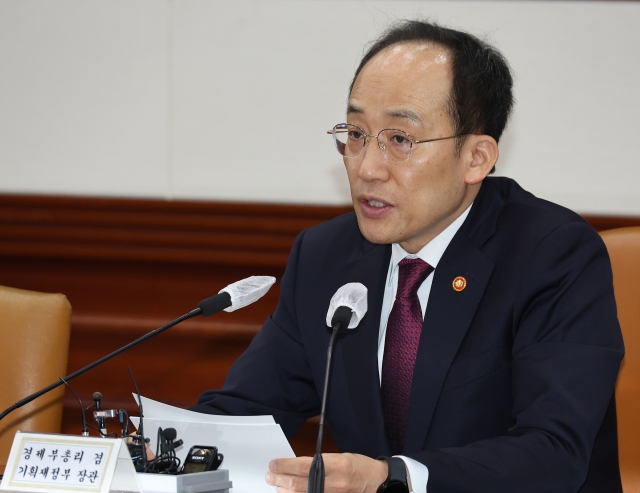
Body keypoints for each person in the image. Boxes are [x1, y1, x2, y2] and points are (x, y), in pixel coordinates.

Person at [191, 20, 624, 493]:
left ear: (476, 158)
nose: (367, 168)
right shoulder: (324, 256)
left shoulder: (554, 254)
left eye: (400, 140)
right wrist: (149, 449)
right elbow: (243, 414)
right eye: (355, 133)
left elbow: (553, 452)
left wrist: (394, 477)